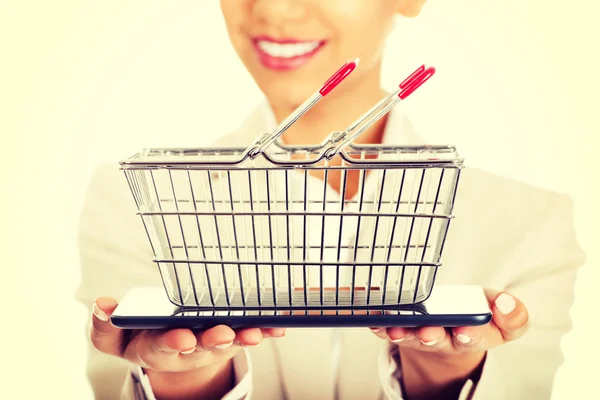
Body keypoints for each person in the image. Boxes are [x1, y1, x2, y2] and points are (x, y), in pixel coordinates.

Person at [75, 1, 586, 399]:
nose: (274, 10)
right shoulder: (134, 202)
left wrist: (444, 372)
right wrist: (186, 380)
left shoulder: (532, 225)